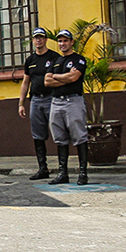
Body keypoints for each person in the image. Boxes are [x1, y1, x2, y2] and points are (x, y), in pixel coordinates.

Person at [44, 29, 89, 185]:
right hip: (56, 102)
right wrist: (64, 78)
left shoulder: (79, 60)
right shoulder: (55, 61)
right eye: (60, 41)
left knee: (79, 135)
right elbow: (47, 81)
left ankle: (83, 172)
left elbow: (74, 77)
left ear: (71, 42)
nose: (62, 44)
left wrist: (58, 77)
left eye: (65, 41)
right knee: (60, 138)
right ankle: (63, 173)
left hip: (73, 101)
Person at [17, 27, 60, 180]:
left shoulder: (54, 57)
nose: (38, 40)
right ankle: (43, 168)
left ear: (46, 39)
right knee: (38, 135)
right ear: (33, 40)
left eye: (41, 37)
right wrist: (21, 103)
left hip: (52, 99)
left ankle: (63, 169)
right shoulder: (30, 60)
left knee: (58, 132)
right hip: (35, 100)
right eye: (36, 38)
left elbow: (60, 77)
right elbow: (25, 82)